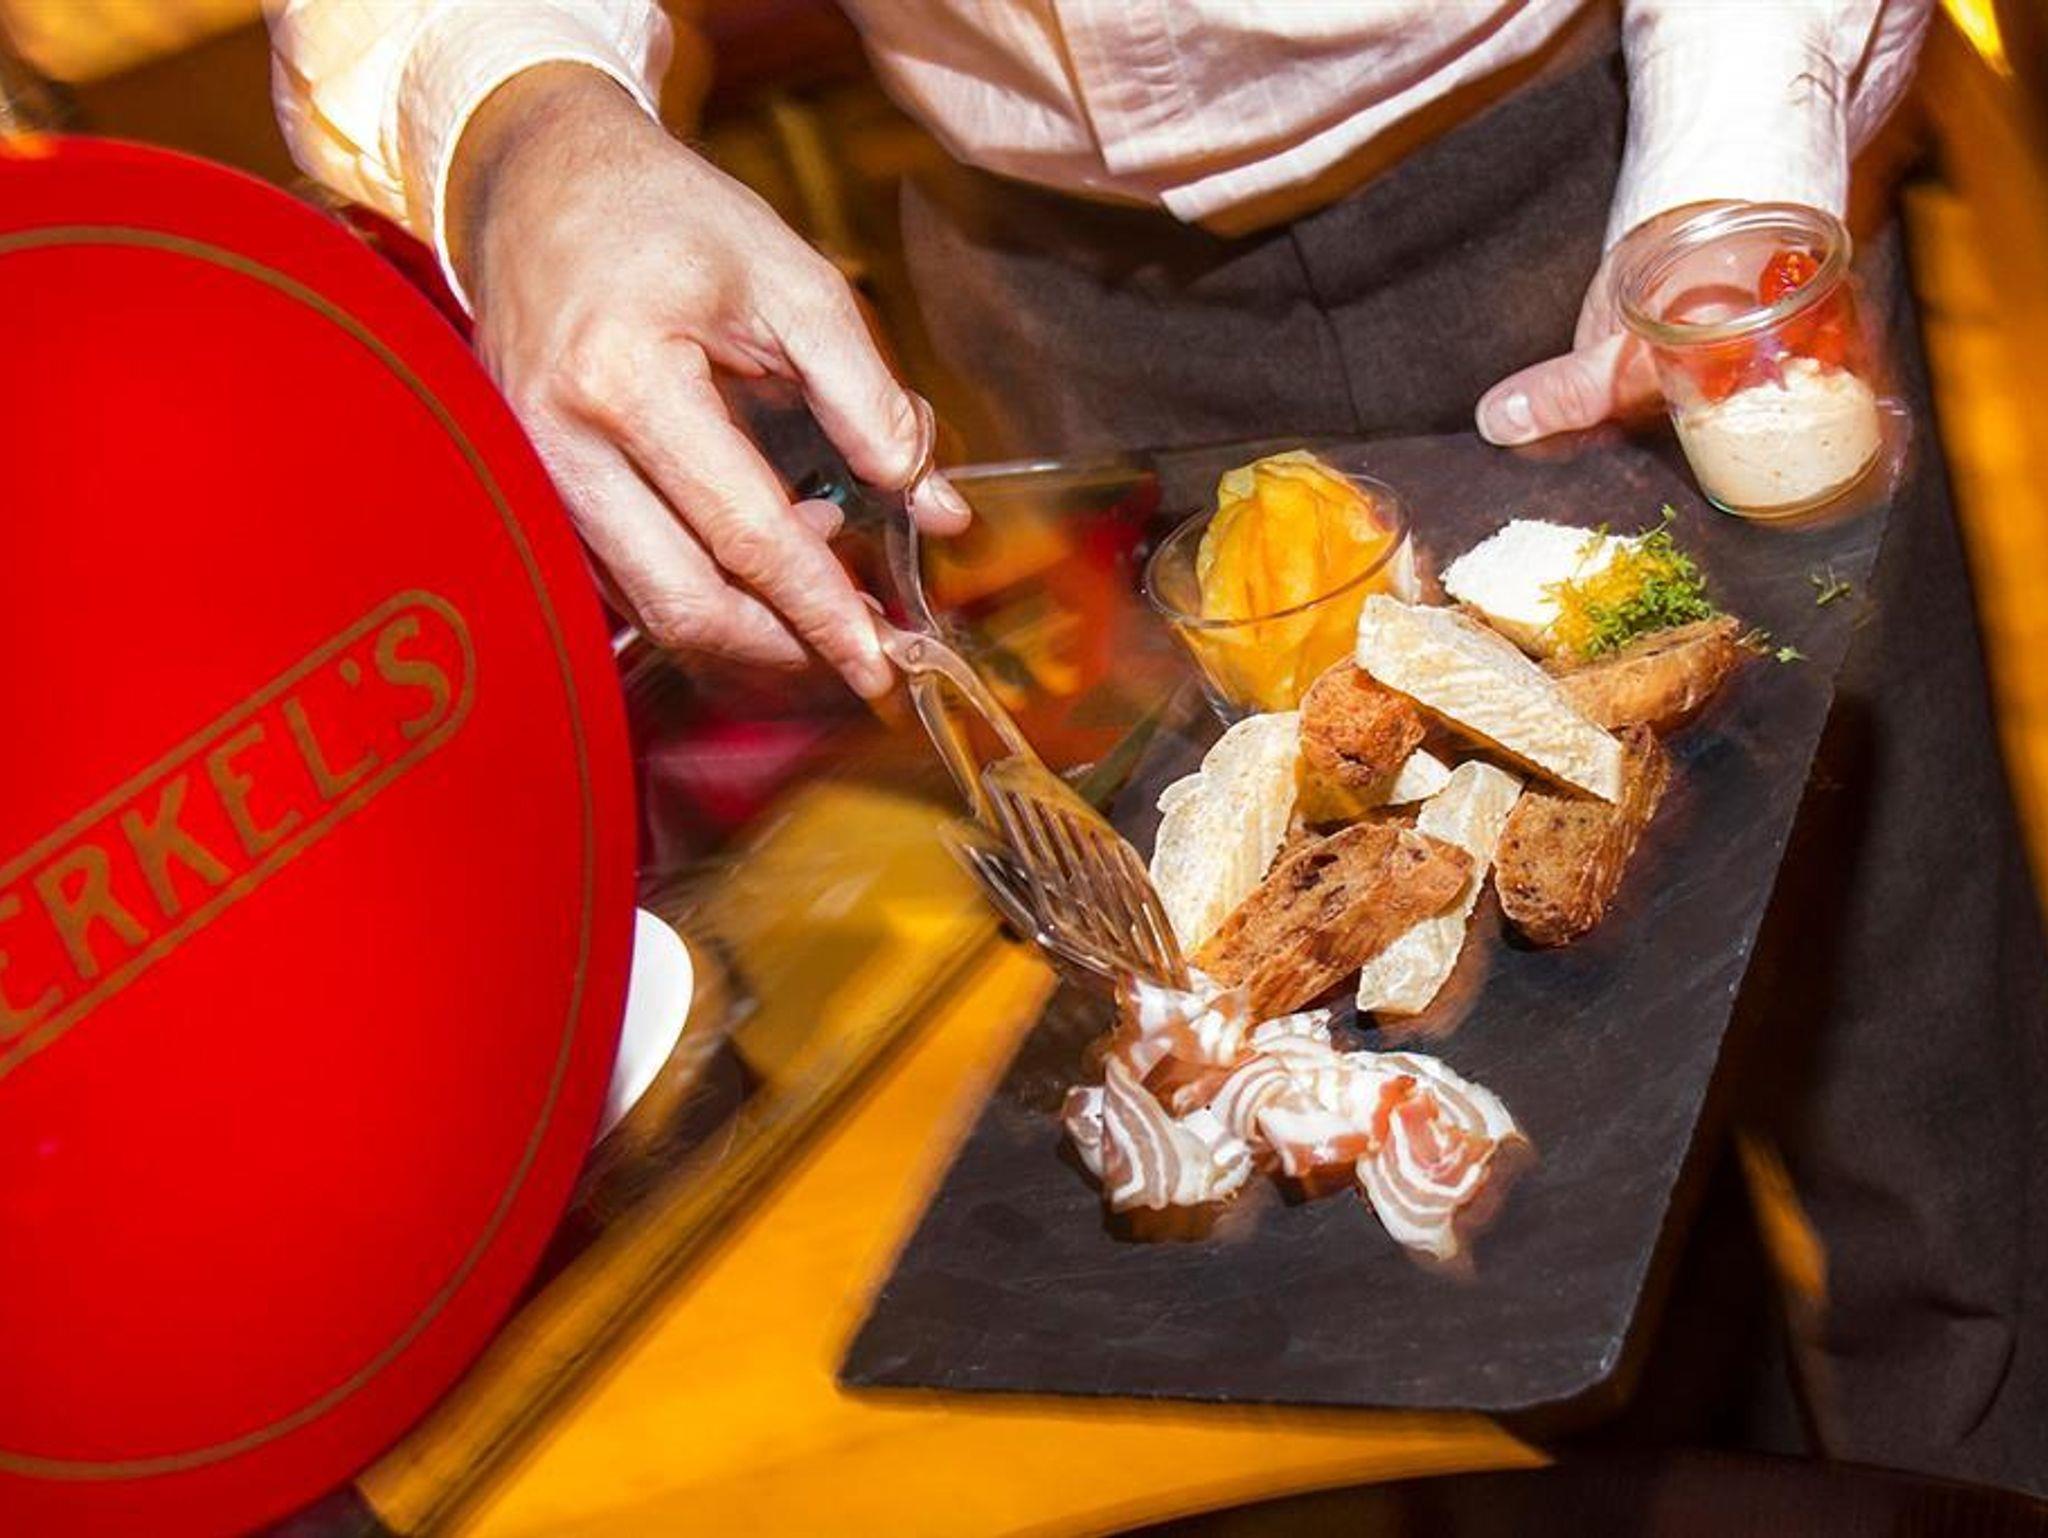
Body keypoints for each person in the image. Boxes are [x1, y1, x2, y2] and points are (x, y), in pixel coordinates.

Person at [269, 0, 2048, 1500]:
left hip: (1614, 166)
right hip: (1067, 316)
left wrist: (1737, 146)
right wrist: (519, 114)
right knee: (1500, 1248)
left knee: (1926, 1096)